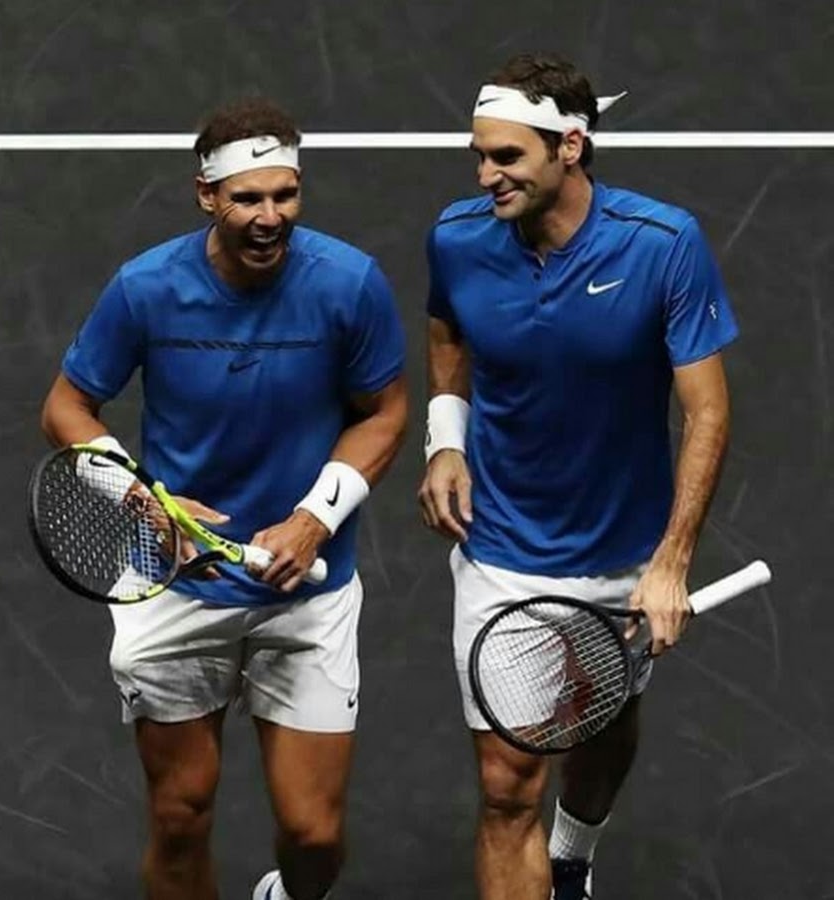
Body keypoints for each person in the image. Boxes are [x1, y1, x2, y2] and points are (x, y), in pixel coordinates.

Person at [40, 96, 408, 900]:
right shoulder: (146, 288)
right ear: (207, 195)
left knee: (314, 836)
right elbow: (67, 407)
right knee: (180, 816)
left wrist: (314, 520)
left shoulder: (349, 284)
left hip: (305, 597)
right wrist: (142, 498)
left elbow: (384, 413)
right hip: (175, 587)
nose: (270, 218)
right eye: (248, 199)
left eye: (285, 195)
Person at [417, 53, 737, 900]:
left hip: (627, 555)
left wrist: (670, 562)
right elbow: (447, 330)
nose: (486, 175)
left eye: (507, 157)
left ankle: (573, 854)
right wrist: (445, 439)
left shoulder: (663, 245)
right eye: (479, 156)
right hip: (503, 551)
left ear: (570, 146)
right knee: (505, 787)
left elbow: (707, 411)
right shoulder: (457, 239)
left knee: (602, 726)